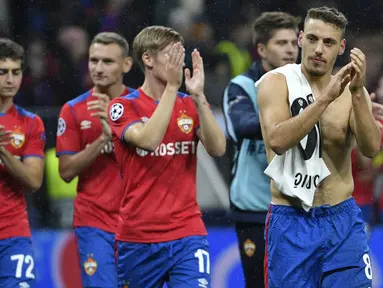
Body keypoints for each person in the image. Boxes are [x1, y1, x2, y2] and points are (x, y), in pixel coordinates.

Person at [257, 6, 381, 288]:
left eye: (328, 43)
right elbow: (277, 140)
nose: (318, 49)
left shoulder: (350, 89)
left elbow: (371, 148)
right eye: (312, 39)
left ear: (341, 48)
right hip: (291, 221)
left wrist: (358, 92)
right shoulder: (276, 83)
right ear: (300, 39)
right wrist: (325, 99)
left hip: (342, 219)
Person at [107, 25, 226, 288]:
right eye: (170, 54)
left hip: (188, 233)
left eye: (180, 54)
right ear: (147, 59)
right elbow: (148, 141)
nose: (178, 61)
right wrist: (173, 87)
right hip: (138, 237)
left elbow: (218, 148)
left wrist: (198, 96)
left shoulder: (188, 103)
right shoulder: (122, 106)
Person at [222, 11, 300, 287]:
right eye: (281, 43)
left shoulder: (308, 85)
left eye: (293, 42)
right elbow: (243, 126)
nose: (291, 49)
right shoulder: (241, 87)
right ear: (261, 49)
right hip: (255, 208)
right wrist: (300, 117)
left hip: (297, 206)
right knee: (258, 283)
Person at [56, 32, 133, 288]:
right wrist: (101, 139)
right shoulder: (73, 110)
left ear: (126, 65)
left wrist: (115, 130)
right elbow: (65, 171)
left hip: (138, 221)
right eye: (93, 60)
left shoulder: (142, 107)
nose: (98, 68)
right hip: (94, 223)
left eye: (107, 62)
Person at [0, 38, 46, 288]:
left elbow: (33, 180)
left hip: (12, 233)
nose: (10, 79)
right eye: (3, 72)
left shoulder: (30, 123)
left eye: (15, 72)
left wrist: (3, 152)